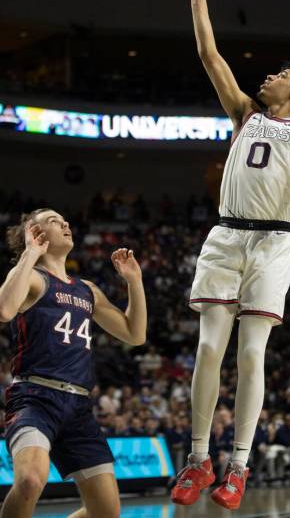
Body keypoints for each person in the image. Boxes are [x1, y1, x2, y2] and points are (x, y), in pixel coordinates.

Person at [171, 0, 290, 510]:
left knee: (252, 355)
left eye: (280, 75)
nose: (268, 78)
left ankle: (238, 465)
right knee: (209, 346)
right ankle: (198, 459)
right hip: (226, 236)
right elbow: (209, 55)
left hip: (274, 243)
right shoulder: (244, 112)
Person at [0, 208, 147, 518]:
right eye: (54, 221)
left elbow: (135, 334)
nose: (65, 223)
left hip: (78, 406)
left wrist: (134, 282)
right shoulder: (32, 278)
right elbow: (4, 309)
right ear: (35, 233)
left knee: (106, 513)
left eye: (65, 220)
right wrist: (30, 253)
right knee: (29, 481)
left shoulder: (87, 290)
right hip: (35, 398)